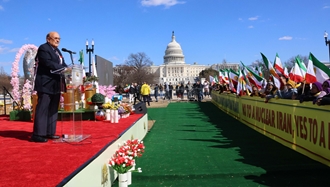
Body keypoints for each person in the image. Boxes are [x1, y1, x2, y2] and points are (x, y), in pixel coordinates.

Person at [31, 31, 69, 143]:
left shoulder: (57, 51)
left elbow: (63, 64)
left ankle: (49, 132)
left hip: (56, 84)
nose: (58, 40)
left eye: (59, 38)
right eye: (55, 38)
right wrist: (63, 69)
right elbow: (47, 63)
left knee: (53, 109)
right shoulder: (43, 48)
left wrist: (69, 69)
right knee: (43, 108)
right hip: (45, 83)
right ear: (48, 39)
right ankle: (38, 134)